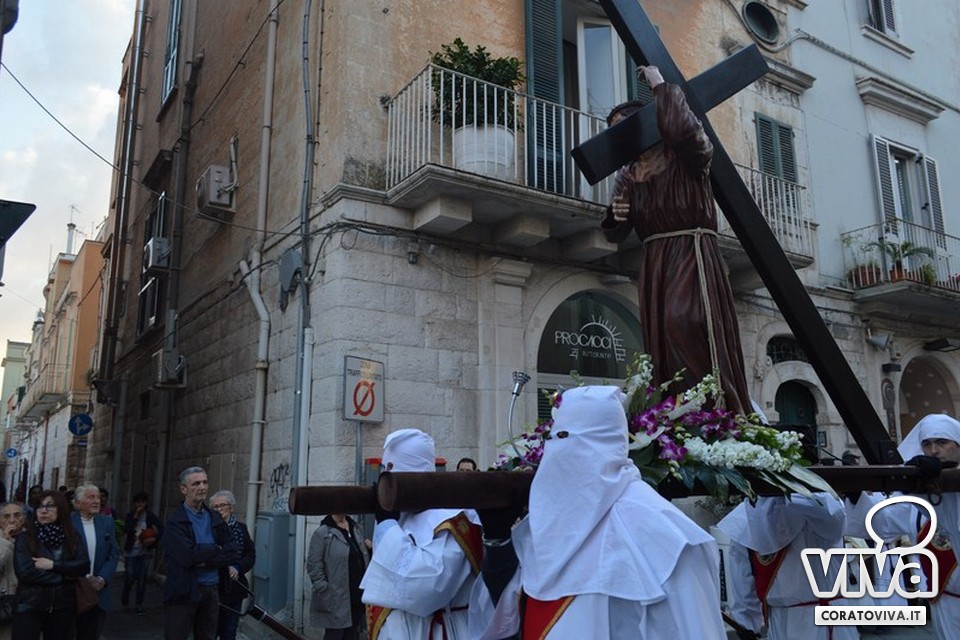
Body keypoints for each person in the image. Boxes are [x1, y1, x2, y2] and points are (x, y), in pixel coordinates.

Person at [469, 385, 726, 639]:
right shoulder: (546, 525)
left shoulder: (669, 538)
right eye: (554, 439)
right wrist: (497, 540)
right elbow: (507, 615)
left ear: (605, 443)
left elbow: (695, 630)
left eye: (567, 438)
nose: (557, 452)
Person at [601, 65, 751, 415]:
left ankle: (711, 409)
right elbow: (615, 231)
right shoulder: (628, 174)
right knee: (662, 341)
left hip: (690, 250)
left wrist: (661, 87)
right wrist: (616, 216)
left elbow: (684, 131)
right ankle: (675, 410)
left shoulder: (685, 156)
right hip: (656, 258)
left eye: (623, 127)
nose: (618, 136)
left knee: (684, 321)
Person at [361, 428, 482, 640]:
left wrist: (387, 525)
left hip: (436, 629)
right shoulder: (399, 514)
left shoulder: (452, 520)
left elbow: (426, 588)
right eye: (383, 470)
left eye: (391, 472)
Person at [718, 492, 856, 640]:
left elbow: (744, 600)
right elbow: (744, 592)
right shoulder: (817, 502)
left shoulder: (744, 522)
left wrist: (746, 625)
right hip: (788, 621)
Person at [897, 413, 960, 638]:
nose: (933, 451)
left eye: (942, 442)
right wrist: (912, 483)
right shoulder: (938, 496)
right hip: (944, 597)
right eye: (927, 444)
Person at [162, 466, 238, 640]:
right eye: (196, 484)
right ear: (184, 489)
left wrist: (207, 561)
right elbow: (188, 556)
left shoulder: (214, 517)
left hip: (212, 589)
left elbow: (232, 549)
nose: (202, 487)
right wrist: (215, 548)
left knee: (207, 636)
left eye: (205, 482)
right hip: (183, 590)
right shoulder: (175, 522)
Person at [12, 490, 90, 639]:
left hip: (62, 606)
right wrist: (63, 577)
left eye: (50, 506)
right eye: (40, 507)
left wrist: (54, 565)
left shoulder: (72, 537)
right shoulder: (25, 538)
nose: (43, 511)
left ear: (61, 509)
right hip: (30, 604)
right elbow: (25, 572)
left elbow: (83, 566)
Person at [307, 513, 370, 640]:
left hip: (356, 595)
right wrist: (324, 588)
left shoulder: (355, 528)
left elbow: (359, 556)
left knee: (351, 634)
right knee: (335, 635)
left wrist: (369, 549)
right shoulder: (323, 533)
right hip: (336, 597)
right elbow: (313, 565)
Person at [70, 484, 120, 640]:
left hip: (99, 592)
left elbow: (113, 553)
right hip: (73, 590)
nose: (97, 501)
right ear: (78, 503)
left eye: (98, 497)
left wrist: (102, 578)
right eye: (91, 497)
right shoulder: (68, 523)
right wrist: (85, 577)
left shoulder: (106, 523)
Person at [209, 490, 255, 640]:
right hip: (212, 588)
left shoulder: (241, 529)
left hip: (234, 589)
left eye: (223, 505)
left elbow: (250, 554)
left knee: (229, 632)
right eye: (215, 506)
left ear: (231, 507)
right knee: (209, 632)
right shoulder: (207, 529)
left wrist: (237, 567)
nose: (219, 509)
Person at [121, 491, 162, 614]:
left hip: (145, 551)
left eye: (142, 502)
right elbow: (127, 529)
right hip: (131, 551)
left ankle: (139, 604)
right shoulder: (130, 516)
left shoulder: (150, 516)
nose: (140, 505)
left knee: (142, 578)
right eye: (138, 502)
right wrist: (135, 516)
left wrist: (154, 539)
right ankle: (126, 593)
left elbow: (162, 528)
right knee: (130, 575)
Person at [0, 502, 25, 640]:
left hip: (24, 602)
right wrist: (5, 540)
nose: (12, 520)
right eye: (6, 516)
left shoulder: (30, 538)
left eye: (17, 515)